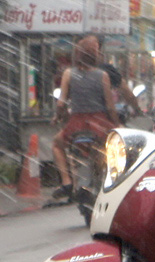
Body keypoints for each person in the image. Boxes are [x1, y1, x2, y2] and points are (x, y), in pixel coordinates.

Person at [51, 35, 120, 199]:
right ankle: (114, 181)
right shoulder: (103, 75)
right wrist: (117, 124)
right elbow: (110, 106)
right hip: (100, 123)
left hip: (76, 124)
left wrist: (57, 117)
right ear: (96, 56)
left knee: (56, 144)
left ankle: (66, 182)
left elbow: (61, 104)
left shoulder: (68, 74)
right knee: (113, 149)